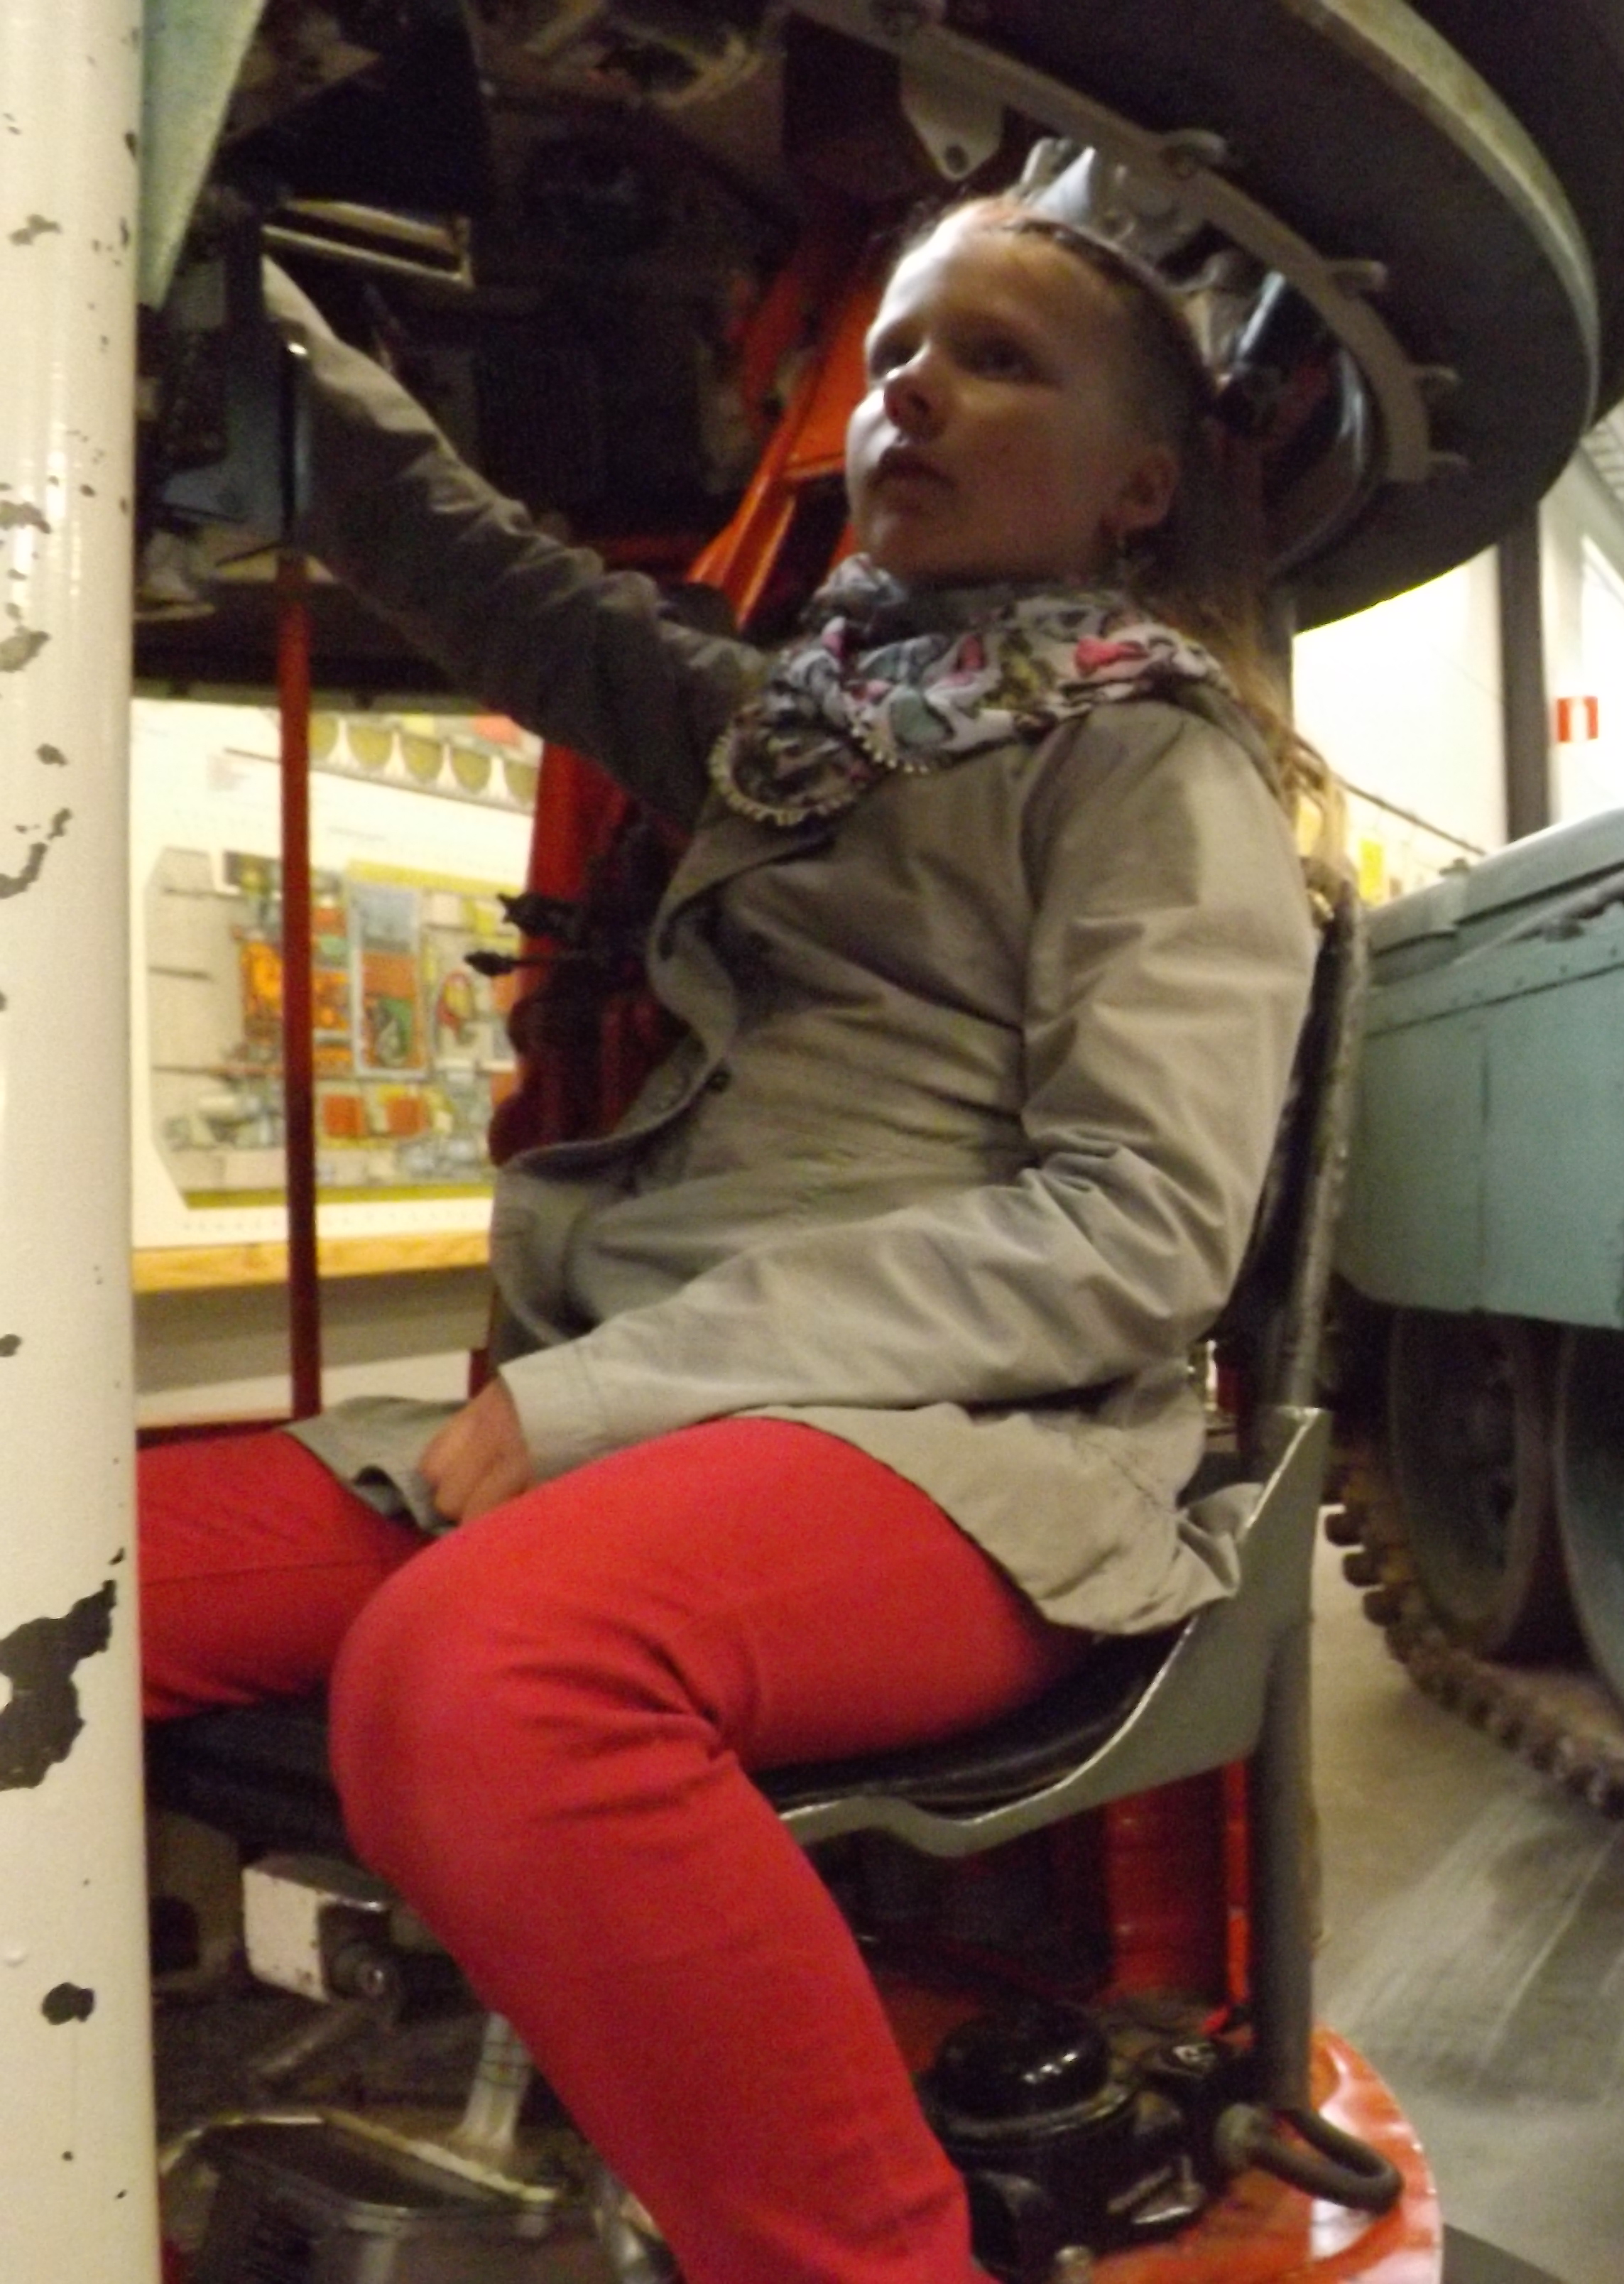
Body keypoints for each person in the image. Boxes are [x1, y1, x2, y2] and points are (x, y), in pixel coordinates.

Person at [143, 194, 1324, 2284]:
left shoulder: (1155, 763)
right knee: (68, 1555)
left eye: (998, 362)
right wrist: (245, 305)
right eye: (897, 354)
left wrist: (608, 1390)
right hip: (670, 1421)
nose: (913, 394)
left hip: (969, 1448)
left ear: (1140, 489)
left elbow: (1135, 1234)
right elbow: (507, 590)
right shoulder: (819, 733)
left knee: (490, 1679)